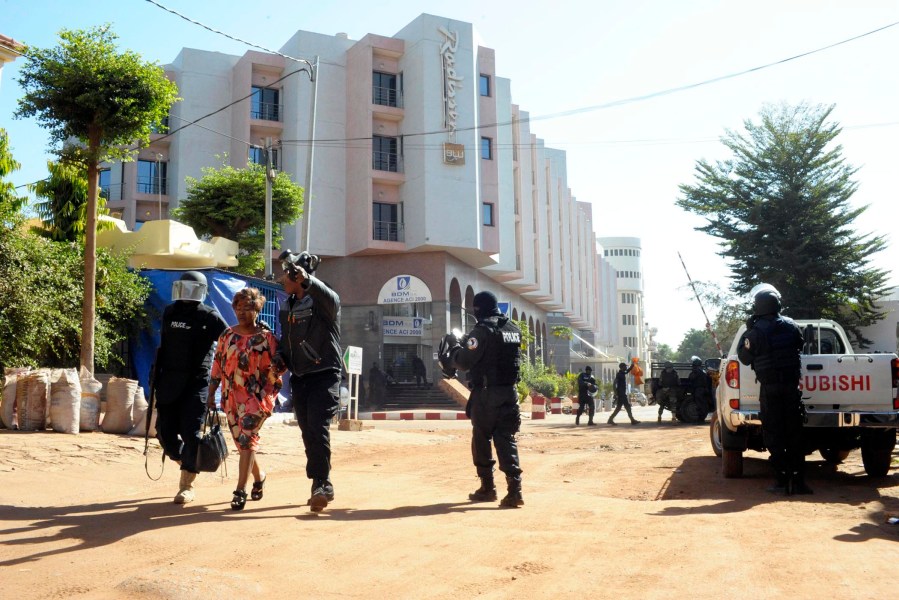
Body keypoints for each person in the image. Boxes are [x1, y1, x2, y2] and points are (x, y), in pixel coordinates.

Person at [439, 291, 524, 508]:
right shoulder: (513, 328)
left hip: (487, 394)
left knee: (482, 438)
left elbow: (465, 361)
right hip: (510, 393)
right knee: (506, 438)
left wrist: (456, 348)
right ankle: (515, 490)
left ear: (478, 309)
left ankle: (488, 487)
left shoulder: (482, 330)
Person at [207, 287, 286, 511]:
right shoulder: (227, 336)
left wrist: (269, 390)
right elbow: (217, 365)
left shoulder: (266, 339)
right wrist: (212, 393)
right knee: (242, 444)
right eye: (238, 308)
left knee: (248, 440)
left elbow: (278, 368)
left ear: (257, 310)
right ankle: (259, 476)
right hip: (231, 397)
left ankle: (240, 490)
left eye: (247, 308)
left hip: (256, 398)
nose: (241, 312)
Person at [153, 271, 228, 504]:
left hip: (196, 383)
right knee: (164, 432)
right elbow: (164, 346)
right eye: (183, 288)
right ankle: (187, 457)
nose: (185, 294)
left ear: (201, 292)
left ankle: (186, 485)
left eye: (191, 289)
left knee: (191, 432)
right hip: (169, 381)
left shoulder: (209, 316)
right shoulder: (170, 311)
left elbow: (229, 341)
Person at [277, 250, 342, 512]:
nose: (283, 278)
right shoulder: (288, 304)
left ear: (298, 276)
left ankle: (322, 484)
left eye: (288, 274)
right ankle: (318, 481)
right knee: (307, 430)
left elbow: (334, 301)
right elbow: (286, 339)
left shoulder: (321, 302)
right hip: (300, 376)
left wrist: (309, 281)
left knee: (317, 426)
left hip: (324, 372)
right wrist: (280, 357)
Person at [737, 283, 810, 495]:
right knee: (795, 434)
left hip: (770, 389)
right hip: (791, 388)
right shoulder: (791, 325)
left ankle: (780, 481)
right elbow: (799, 344)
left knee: (774, 434)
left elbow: (744, 357)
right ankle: (799, 483)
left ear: (758, 307)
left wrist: (749, 332)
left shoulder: (756, 332)